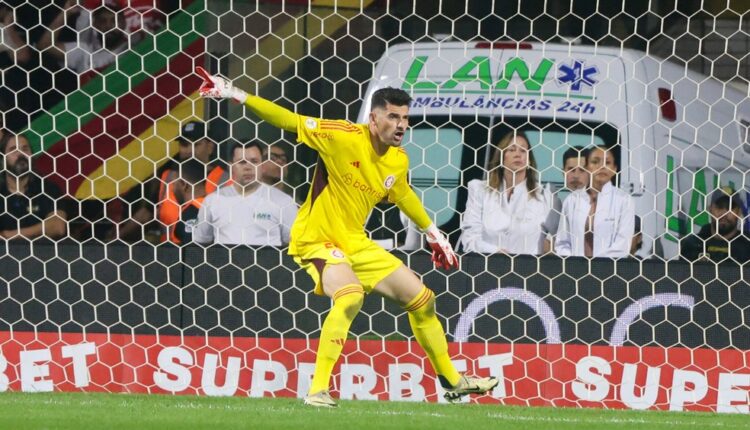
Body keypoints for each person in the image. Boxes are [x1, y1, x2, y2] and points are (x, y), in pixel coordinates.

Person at [197, 67, 498, 407]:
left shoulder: (397, 161)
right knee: (351, 295)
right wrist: (237, 94)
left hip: (355, 242)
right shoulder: (341, 136)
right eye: (393, 116)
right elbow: (289, 120)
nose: (401, 125)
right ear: (373, 118)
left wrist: (433, 232)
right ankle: (317, 390)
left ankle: (453, 382)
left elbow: (403, 195)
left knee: (423, 299)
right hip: (317, 238)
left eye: (405, 118)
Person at [460, 130, 557, 255]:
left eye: (523, 150)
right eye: (512, 150)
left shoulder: (544, 195)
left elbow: (553, 241)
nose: (518, 154)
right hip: (487, 266)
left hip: (528, 270)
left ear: (529, 160)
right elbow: (469, 239)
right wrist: (497, 252)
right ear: (501, 156)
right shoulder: (480, 190)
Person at [192, 140, 298, 246]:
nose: (248, 167)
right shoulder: (212, 201)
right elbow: (201, 242)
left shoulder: (284, 201)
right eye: (242, 162)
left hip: (267, 262)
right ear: (231, 166)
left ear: (261, 165)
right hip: (224, 261)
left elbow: (294, 244)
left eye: (254, 161)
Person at [555, 144, 634, 258]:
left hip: (610, 271)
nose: (602, 167)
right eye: (595, 162)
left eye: (607, 162)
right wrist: (573, 265)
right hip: (575, 271)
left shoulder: (624, 201)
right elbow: (562, 242)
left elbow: (622, 246)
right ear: (587, 167)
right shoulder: (571, 200)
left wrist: (597, 267)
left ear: (614, 169)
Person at [156, 120, 229, 243]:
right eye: (184, 144)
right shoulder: (168, 176)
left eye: (196, 144)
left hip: (205, 254)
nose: (189, 150)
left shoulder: (225, 179)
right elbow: (153, 212)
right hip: (168, 255)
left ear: (210, 147)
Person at [0, 133, 67, 239]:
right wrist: (41, 229)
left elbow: (57, 227)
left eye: (25, 149)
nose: (21, 154)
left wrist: (8, 235)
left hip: (43, 254)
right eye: (13, 150)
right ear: (3, 159)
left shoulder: (48, 188)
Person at [38, 0, 129, 76]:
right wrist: (66, 12)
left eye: (115, 21)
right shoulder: (83, 52)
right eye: (102, 21)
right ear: (95, 25)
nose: (109, 26)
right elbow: (45, 45)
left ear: (124, 23)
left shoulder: (134, 46)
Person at [680, 187, 750, 263]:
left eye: (730, 208)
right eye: (719, 207)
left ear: (739, 212)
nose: (724, 214)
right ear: (710, 209)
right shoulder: (693, 244)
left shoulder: (747, 245)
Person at [170, 158, 208, 244]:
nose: (172, 189)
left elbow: (193, 253)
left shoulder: (191, 213)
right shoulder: (216, 205)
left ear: (183, 184)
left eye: (173, 184)